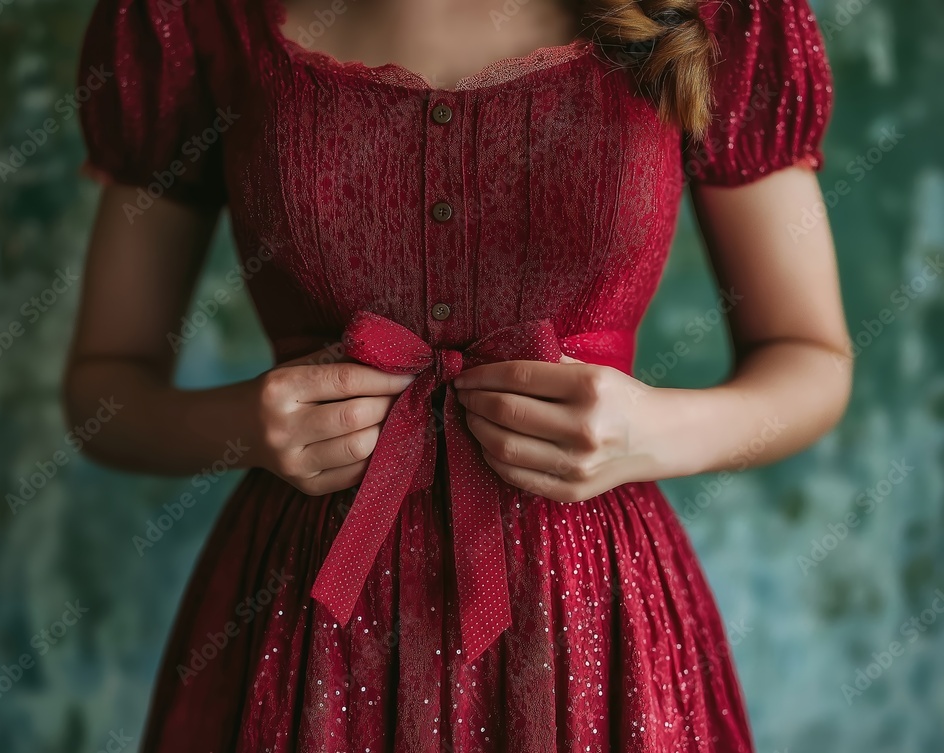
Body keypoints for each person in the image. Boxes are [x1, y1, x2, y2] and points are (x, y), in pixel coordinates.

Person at [64, 0, 851, 750]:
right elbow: (105, 389)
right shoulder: (189, 20)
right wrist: (246, 426)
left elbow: (810, 356)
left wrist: (655, 432)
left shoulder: (720, 16)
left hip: (597, 627)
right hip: (303, 630)